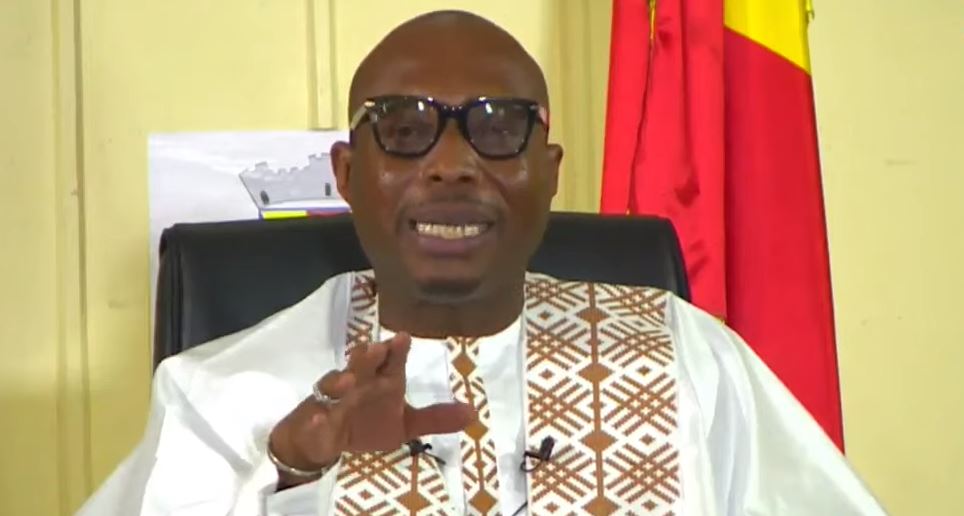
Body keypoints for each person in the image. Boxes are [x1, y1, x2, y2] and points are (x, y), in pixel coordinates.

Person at [78, 10, 886, 516]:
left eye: (499, 128)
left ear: (551, 173)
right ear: (347, 176)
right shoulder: (222, 396)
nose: (452, 165)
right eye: (404, 129)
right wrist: (288, 478)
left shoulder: (691, 359)